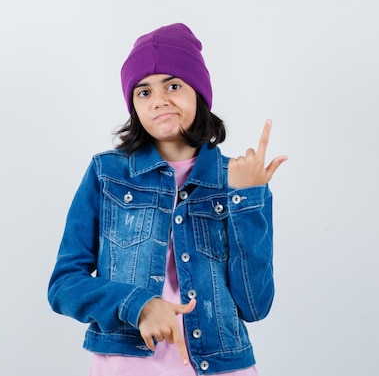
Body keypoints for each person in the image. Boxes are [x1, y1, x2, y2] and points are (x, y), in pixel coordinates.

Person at [48, 23, 287, 375]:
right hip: (127, 365)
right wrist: (138, 305)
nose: (159, 99)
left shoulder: (238, 180)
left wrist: (246, 197)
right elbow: (64, 285)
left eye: (173, 85)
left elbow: (254, 306)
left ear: (199, 93)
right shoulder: (107, 174)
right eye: (143, 92)